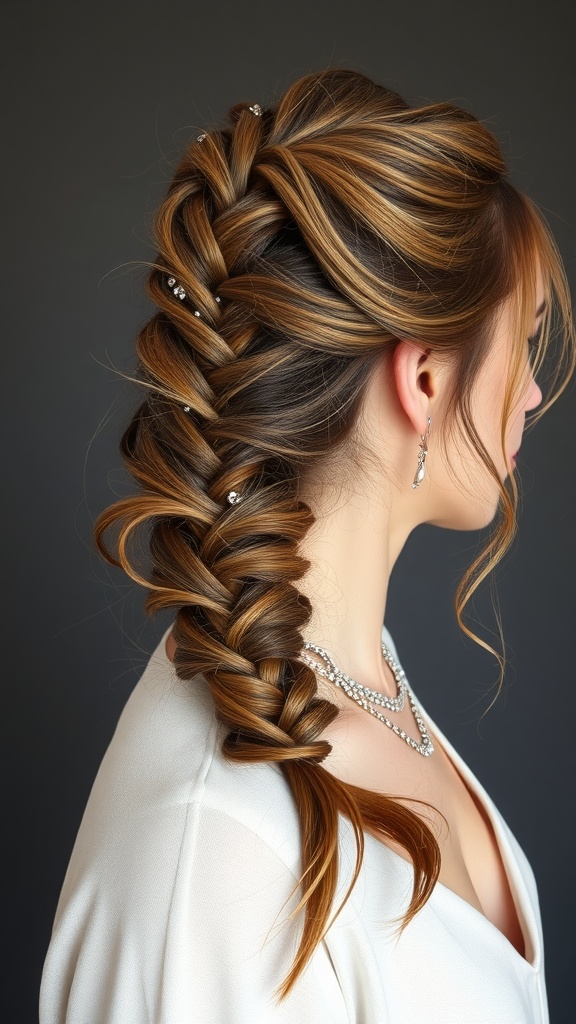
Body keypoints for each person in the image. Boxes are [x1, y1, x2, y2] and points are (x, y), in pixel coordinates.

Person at [40, 68, 574, 1023]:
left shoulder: (352, 671)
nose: (533, 393)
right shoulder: (213, 855)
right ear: (420, 376)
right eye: (523, 342)